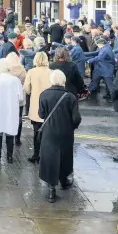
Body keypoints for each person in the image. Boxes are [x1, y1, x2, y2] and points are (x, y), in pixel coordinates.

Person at [38, 69, 82, 203]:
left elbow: (41, 114)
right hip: (66, 132)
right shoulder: (70, 97)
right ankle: (64, 181)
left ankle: (51, 189)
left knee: (50, 158)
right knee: (65, 157)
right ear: (63, 81)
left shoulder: (44, 94)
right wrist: (72, 127)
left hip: (49, 132)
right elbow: (76, 118)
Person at [0, 59, 24, 163]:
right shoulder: (15, 80)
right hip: (11, 110)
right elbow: (21, 97)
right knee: (10, 132)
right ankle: (9, 157)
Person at [23, 52, 52, 164]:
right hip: (48, 105)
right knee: (48, 132)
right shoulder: (51, 72)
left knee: (36, 132)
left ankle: (36, 154)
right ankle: (46, 154)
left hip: (36, 105)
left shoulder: (31, 72)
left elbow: (26, 88)